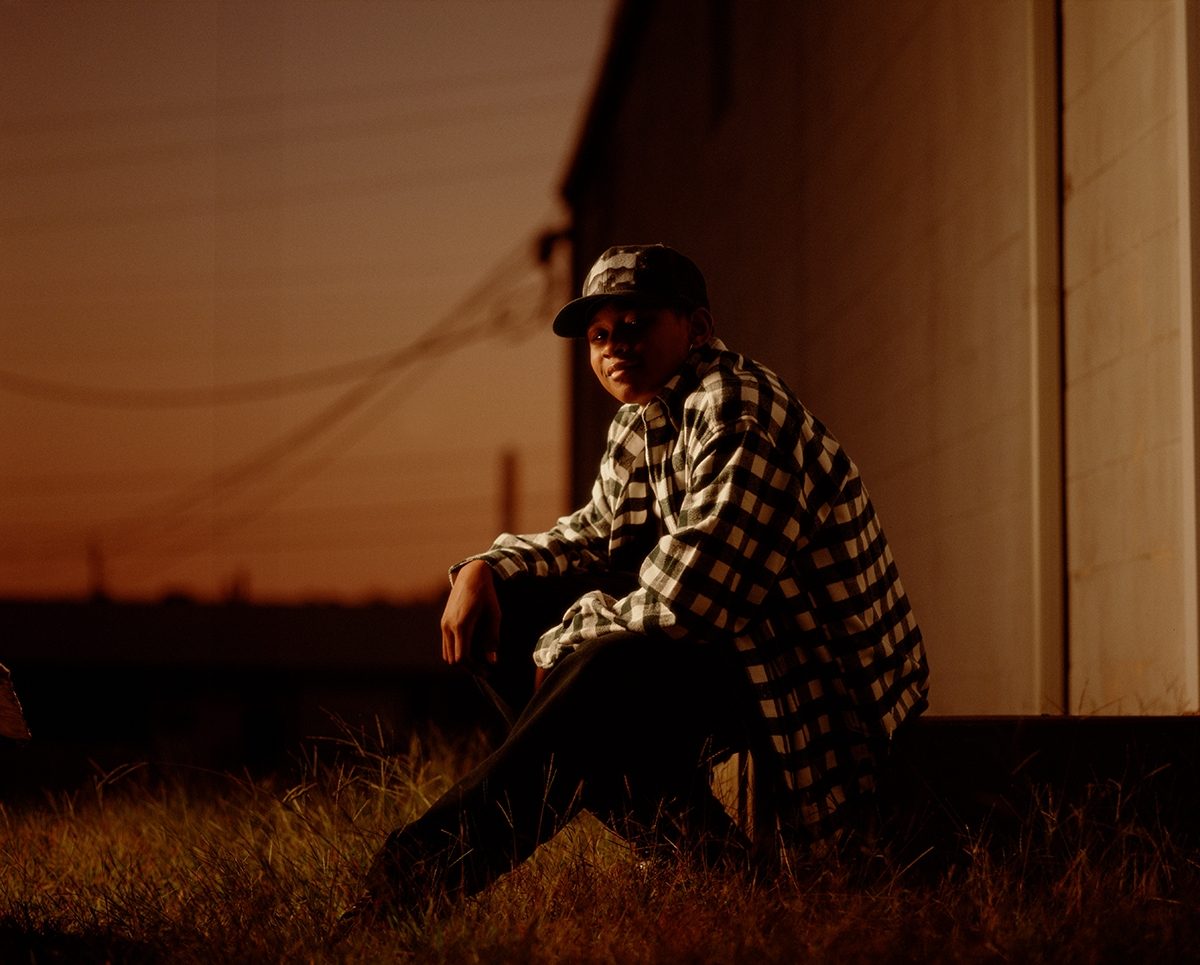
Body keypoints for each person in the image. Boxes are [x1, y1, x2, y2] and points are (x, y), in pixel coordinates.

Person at [352, 243, 929, 920]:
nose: (615, 346)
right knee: (515, 610)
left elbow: (699, 597)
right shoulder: (644, 418)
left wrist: (571, 637)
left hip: (807, 669)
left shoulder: (739, 410)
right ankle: (717, 868)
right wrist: (486, 567)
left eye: (636, 324)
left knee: (601, 670)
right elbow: (592, 537)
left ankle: (412, 879)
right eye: (599, 336)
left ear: (697, 327)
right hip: (737, 644)